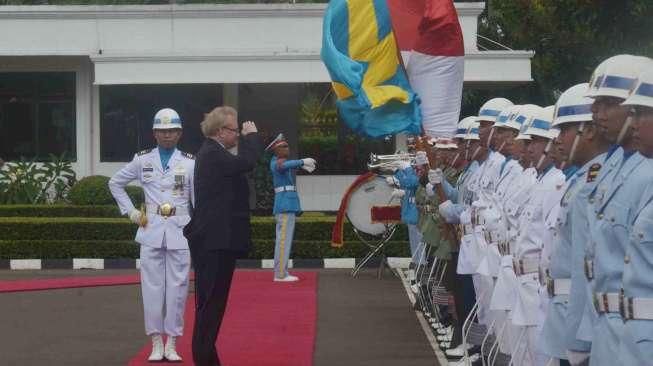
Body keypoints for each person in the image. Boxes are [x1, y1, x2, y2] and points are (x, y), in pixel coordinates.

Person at [108, 108, 195, 362]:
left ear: (179, 133)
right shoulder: (142, 159)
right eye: (162, 131)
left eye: (171, 131)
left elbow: (198, 200)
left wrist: (198, 227)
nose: (167, 135)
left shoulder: (190, 162)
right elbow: (115, 183)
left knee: (178, 289)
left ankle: (173, 342)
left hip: (181, 230)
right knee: (152, 288)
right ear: (154, 133)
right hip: (151, 228)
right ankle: (156, 341)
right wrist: (132, 213)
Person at [182, 106, 263, 366]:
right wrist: (253, 137)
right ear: (219, 132)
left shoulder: (214, 153)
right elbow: (246, 163)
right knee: (209, 307)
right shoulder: (212, 154)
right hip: (213, 242)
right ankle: (204, 359)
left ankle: (207, 357)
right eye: (235, 130)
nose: (238, 134)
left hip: (218, 241)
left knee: (213, 306)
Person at [266, 133, 316, 282]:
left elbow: (287, 165)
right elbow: (284, 165)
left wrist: (301, 164)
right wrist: (301, 161)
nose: (287, 149)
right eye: (283, 146)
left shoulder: (281, 163)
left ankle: (282, 271)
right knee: (283, 241)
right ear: (276, 150)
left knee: (284, 240)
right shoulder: (276, 163)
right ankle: (280, 274)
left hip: (287, 204)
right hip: (285, 205)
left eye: (287, 146)